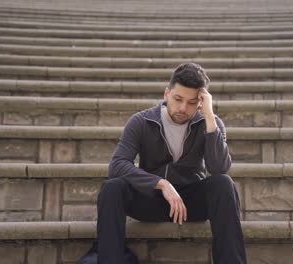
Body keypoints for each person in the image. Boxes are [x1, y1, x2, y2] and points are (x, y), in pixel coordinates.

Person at [95, 63, 247, 263]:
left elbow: (218, 168)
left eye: (192, 102)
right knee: (112, 188)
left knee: (224, 184)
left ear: (201, 101)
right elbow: (116, 166)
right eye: (178, 99)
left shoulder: (210, 123)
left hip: (190, 202)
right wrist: (161, 184)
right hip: (151, 199)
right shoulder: (141, 121)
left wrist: (209, 117)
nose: (183, 108)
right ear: (166, 94)